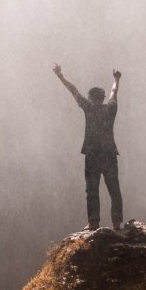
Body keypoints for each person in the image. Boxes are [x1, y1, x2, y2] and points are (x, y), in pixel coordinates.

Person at [52, 63, 123, 231]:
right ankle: (117, 222)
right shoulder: (110, 109)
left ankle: (93, 222)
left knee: (92, 189)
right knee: (114, 188)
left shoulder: (89, 108)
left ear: (91, 98)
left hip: (92, 154)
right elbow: (114, 92)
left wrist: (60, 76)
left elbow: (74, 90)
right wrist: (116, 79)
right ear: (103, 98)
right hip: (109, 153)